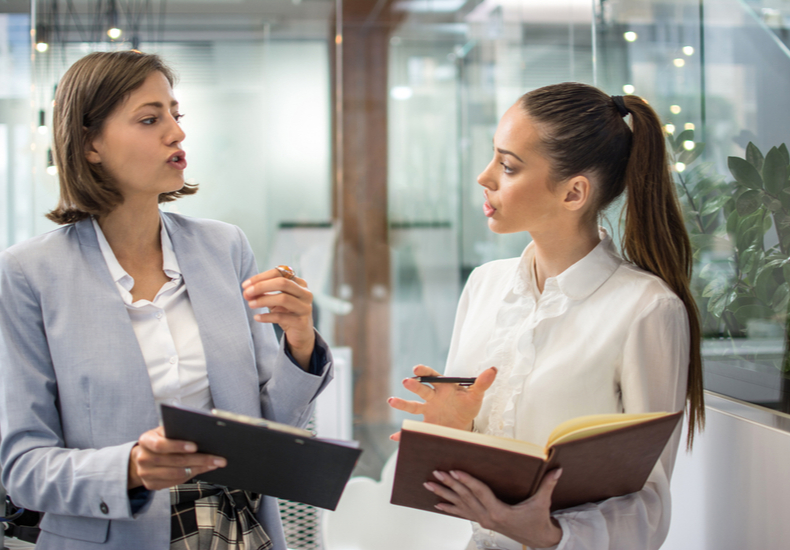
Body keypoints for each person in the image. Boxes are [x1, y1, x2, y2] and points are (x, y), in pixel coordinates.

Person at [0, 50, 332, 550]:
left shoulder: (225, 247)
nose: (176, 133)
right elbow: (23, 468)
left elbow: (271, 433)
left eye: (176, 115)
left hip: (240, 530)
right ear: (90, 143)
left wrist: (300, 340)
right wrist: (130, 467)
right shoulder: (28, 273)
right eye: (150, 119)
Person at [388, 82, 704, 550]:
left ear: (574, 192)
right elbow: (469, 460)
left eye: (508, 165)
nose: (485, 176)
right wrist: (453, 431)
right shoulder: (484, 285)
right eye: (494, 157)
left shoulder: (647, 310)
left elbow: (649, 510)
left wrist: (551, 535)